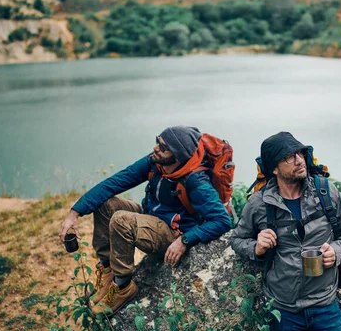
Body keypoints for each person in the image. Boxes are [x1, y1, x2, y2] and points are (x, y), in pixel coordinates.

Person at [59, 126, 232, 316]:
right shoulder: (155, 162)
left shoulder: (195, 181)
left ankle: (123, 287)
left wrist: (184, 241)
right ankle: (108, 271)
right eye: (158, 140)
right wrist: (75, 212)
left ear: (178, 156)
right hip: (151, 217)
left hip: (172, 232)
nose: (156, 147)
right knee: (105, 205)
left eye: (163, 147)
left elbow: (222, 221)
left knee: (121, 220)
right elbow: (115, 183)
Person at [230, 132, 341, 331]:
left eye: (300, 153)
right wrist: (256, 247)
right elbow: (237, 239)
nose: (299, 160)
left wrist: (336, 252)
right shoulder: (259, 204)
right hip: (282, 311)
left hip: (324, 305)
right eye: (289, 157)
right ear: (274, 169)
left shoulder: (325, 192)